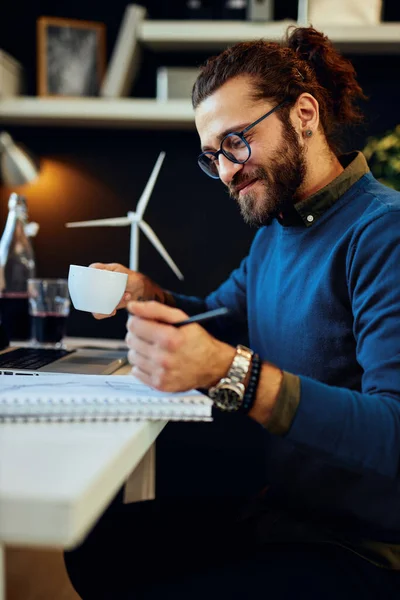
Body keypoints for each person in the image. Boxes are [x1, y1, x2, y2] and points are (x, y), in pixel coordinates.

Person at [64, 27, 400, 599]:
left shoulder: (383, 232)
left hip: (361, 551)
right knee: (99, 547)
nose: (224, 171)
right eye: (212, 155)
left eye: (237, 142)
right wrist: (145, 292)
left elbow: (393, 432)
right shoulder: (277, 233)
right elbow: (216, 319)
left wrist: (231, 374)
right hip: (283, 519)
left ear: (304, 114)